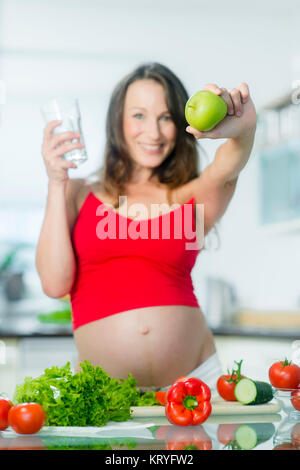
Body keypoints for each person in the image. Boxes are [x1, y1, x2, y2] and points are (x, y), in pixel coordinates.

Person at [36, 62, 257, 394]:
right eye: (138, 116)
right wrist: (56, 182)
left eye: (166, 117)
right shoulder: (77, 192)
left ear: (180, 122)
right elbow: (54, 284)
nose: (153, 133)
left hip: (196, 385)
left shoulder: (190, 196)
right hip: (102, 396)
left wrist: (243, 125)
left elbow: (231, 160)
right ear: (118, 122)